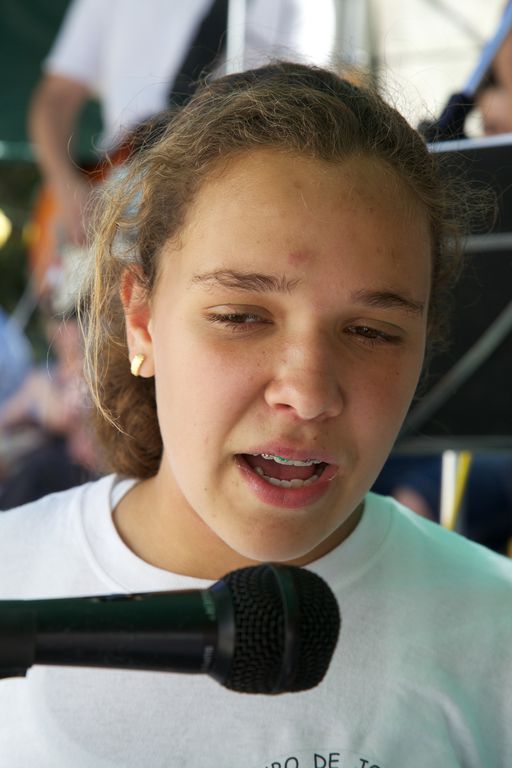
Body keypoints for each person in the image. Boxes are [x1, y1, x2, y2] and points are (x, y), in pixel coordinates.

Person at [0, 62, 511, 766]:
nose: (307, 393)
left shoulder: (493, 633)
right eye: (240, 316)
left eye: (372, 331)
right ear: (142, 321)